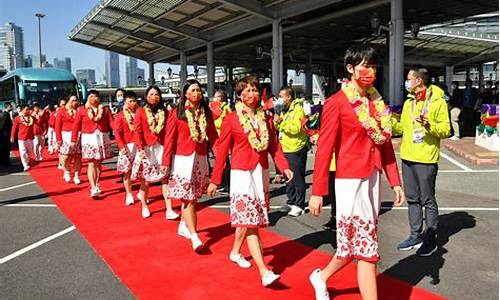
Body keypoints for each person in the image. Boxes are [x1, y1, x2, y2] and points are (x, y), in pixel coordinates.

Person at [308, 45, 404, 300]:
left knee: (360, 248)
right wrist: (318, 191)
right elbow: (324, 150)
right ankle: (321, 277)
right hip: (349, 182)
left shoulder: (377, 102)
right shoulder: (336, 103)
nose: (369, 71)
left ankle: (321, 277)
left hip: (372, 180)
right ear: (350, 69)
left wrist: (395, 181)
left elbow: (383, 143)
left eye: (373, 66)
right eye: (364, 66)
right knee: (357, 248)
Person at [207, 75, 293, 287]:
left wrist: (284, 167)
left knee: (248, 219)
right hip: (241, 175)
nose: (251, 94)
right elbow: (221, 152)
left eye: (254, 90)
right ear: (239, 95)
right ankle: (264, 271)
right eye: (246, 91)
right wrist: (215, 180)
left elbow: (274, 146)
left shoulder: (267, 118)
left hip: (260, 173)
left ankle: (236, 251)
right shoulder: (232, 119)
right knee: (251, 223)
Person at [394, 65, 450, 257]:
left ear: (418, 81)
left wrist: (429, 125)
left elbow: (445, 129)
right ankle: (414, 235)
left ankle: (430, 239)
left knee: (427, 199)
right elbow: (402, 126)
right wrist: (388, 121)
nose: (407, 82)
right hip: (408, 156)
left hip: (426, 158)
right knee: (412, 199)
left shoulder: (437, 101)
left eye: (409, 78)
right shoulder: (410, 101)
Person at [161, 79, 218, 251]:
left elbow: (214, 138)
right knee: (188, 198)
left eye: (199, 90)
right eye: (192, 90)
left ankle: (183, 225)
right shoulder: (177, 113)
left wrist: (221, 157)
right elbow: (169, 139)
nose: (196, 93)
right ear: (185, 93)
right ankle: (194, 236)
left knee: (194, 196)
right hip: (182, 160)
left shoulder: (206, 114)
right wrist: (165, 162)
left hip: (200, 159)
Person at [131, 85, 178, 220]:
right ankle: (144, 206)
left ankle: (169, 209)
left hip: (161, 148)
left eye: (156, 94)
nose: (154, 97)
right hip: (147, 148)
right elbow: (137, 131)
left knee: (165, 179)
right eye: (151, 94)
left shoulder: (166, 112)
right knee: (146, 180)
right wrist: (140, 149)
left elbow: (169, 132)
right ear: (146, 96)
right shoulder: (140, 112)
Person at [71, 90, 114, 198]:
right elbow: (76, 126)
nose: (93, 98)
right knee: (91, 162)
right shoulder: (82, 110)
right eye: (91, 96)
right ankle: (93, 187)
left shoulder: (105, 110)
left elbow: (112, 124)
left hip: (101, 137)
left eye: (95, 96)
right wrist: (73, 139)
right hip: (89, 138)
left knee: (98, 163)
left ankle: (97, 182)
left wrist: (119, 135)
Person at [274, 86, 309, 217]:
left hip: (296, 148)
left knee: (298, 177)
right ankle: (290, 201)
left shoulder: (298, 110)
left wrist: (282, 122)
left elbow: (296, 129)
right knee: (288, 176)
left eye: (281, 97)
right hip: (285, 147)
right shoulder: (284, 110)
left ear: (288, 97)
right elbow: (280, 127)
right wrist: (277, 122)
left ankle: (299, 204)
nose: (279, 100)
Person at [114, 91, 139, 205]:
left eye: (134, 101)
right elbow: (117, 133)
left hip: (139, 145)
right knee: (127, 171)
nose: (132, 103)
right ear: (125, 102)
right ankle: (129, 193)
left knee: (141, 171)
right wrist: (121, 146)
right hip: (127, 145)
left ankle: (142, 193)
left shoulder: (140, 113)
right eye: (130, 101)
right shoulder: (120, 115)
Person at [56, 95, 82, 185]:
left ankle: (76, 176)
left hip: (78, 135)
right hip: (65, 136)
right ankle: (66, 171)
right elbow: (57, 126)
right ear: (68, 101)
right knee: (66, 157)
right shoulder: (61, 111)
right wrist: (58, 139)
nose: (75, 102)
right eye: (72, 100)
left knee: (77, 156)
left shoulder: (80, 110)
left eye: (76, 100)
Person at [209, 89, 232, 192]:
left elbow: (230, 121)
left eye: (216, 96)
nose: (214, 98)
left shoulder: (225, 108)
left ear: (220, 98)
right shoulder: (212, 108)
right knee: (219, 161)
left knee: (224, 162)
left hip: (223, 138)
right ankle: (221, 182)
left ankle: (226, 183)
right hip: (215, 139)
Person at [10, 105, 36, 171]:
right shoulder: (17, 118)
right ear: (22, 110)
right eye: (26, 109)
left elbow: (38, 122)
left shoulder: (32, 117)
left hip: (30, 137)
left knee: (30, 152)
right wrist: (12, 137)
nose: (27, 110)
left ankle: (27, 162)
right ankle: (25, 165)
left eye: (28, 109)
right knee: (23, 152)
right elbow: (14, 129)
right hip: (22, 138)